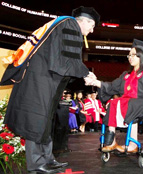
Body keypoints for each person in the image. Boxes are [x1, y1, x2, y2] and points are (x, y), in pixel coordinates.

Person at [0, 6, 100, 173]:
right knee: (37, 119)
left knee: (46, 119)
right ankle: (37, 162)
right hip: (40, 80)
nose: (91, 31)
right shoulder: (70, 25)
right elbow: (69, 60)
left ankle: (47, 159)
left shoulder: (61, 25)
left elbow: (61, 60)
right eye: (92, 26)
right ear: (86, 21)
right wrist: (87, 74)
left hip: (45, 79)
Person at [85, 39, 143, 152]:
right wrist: (95, 82)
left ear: (141, 57)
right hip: (129, 102)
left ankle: (131, 144)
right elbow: (111, 87)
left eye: (134, 55)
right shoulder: (126, 75)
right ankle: (111, 141)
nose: (130, 57)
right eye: (129, 55)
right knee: (114, 102)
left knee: (129, 103)